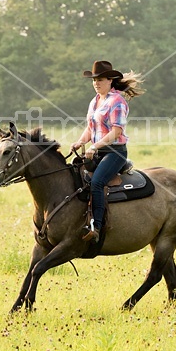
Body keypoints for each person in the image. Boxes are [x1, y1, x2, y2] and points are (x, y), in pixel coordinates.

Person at [70, 60, 144, 243]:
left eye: (100, 79)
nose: (96, 83)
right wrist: (80, 142)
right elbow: (90, 128)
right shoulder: (94, 102)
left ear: (110, 80)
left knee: (96, 182)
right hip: (97, 152)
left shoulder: (117, 101)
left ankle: (97, 226)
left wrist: (95, 146)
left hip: (114, 152)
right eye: (94, 80)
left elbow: (116, 132)